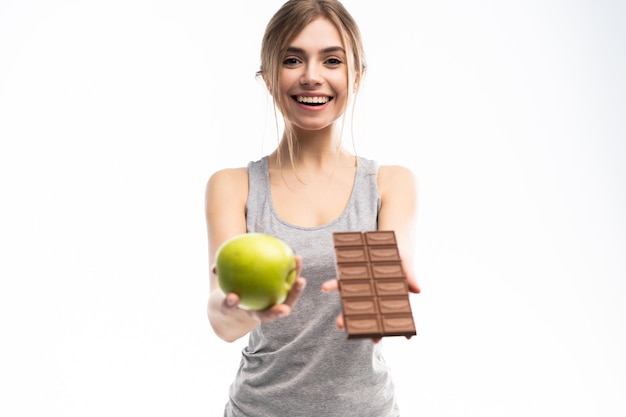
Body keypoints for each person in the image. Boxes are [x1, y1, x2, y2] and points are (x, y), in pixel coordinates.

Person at [205, 0, 420, 415]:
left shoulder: (391, 183)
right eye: (292, 59)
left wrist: (385, 288)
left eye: (332, 60)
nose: (311, 76)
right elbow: (222, 321)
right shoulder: (233, 187)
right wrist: (242, 307)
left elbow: (387, 290)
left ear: (356, 77)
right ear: (268, 77)